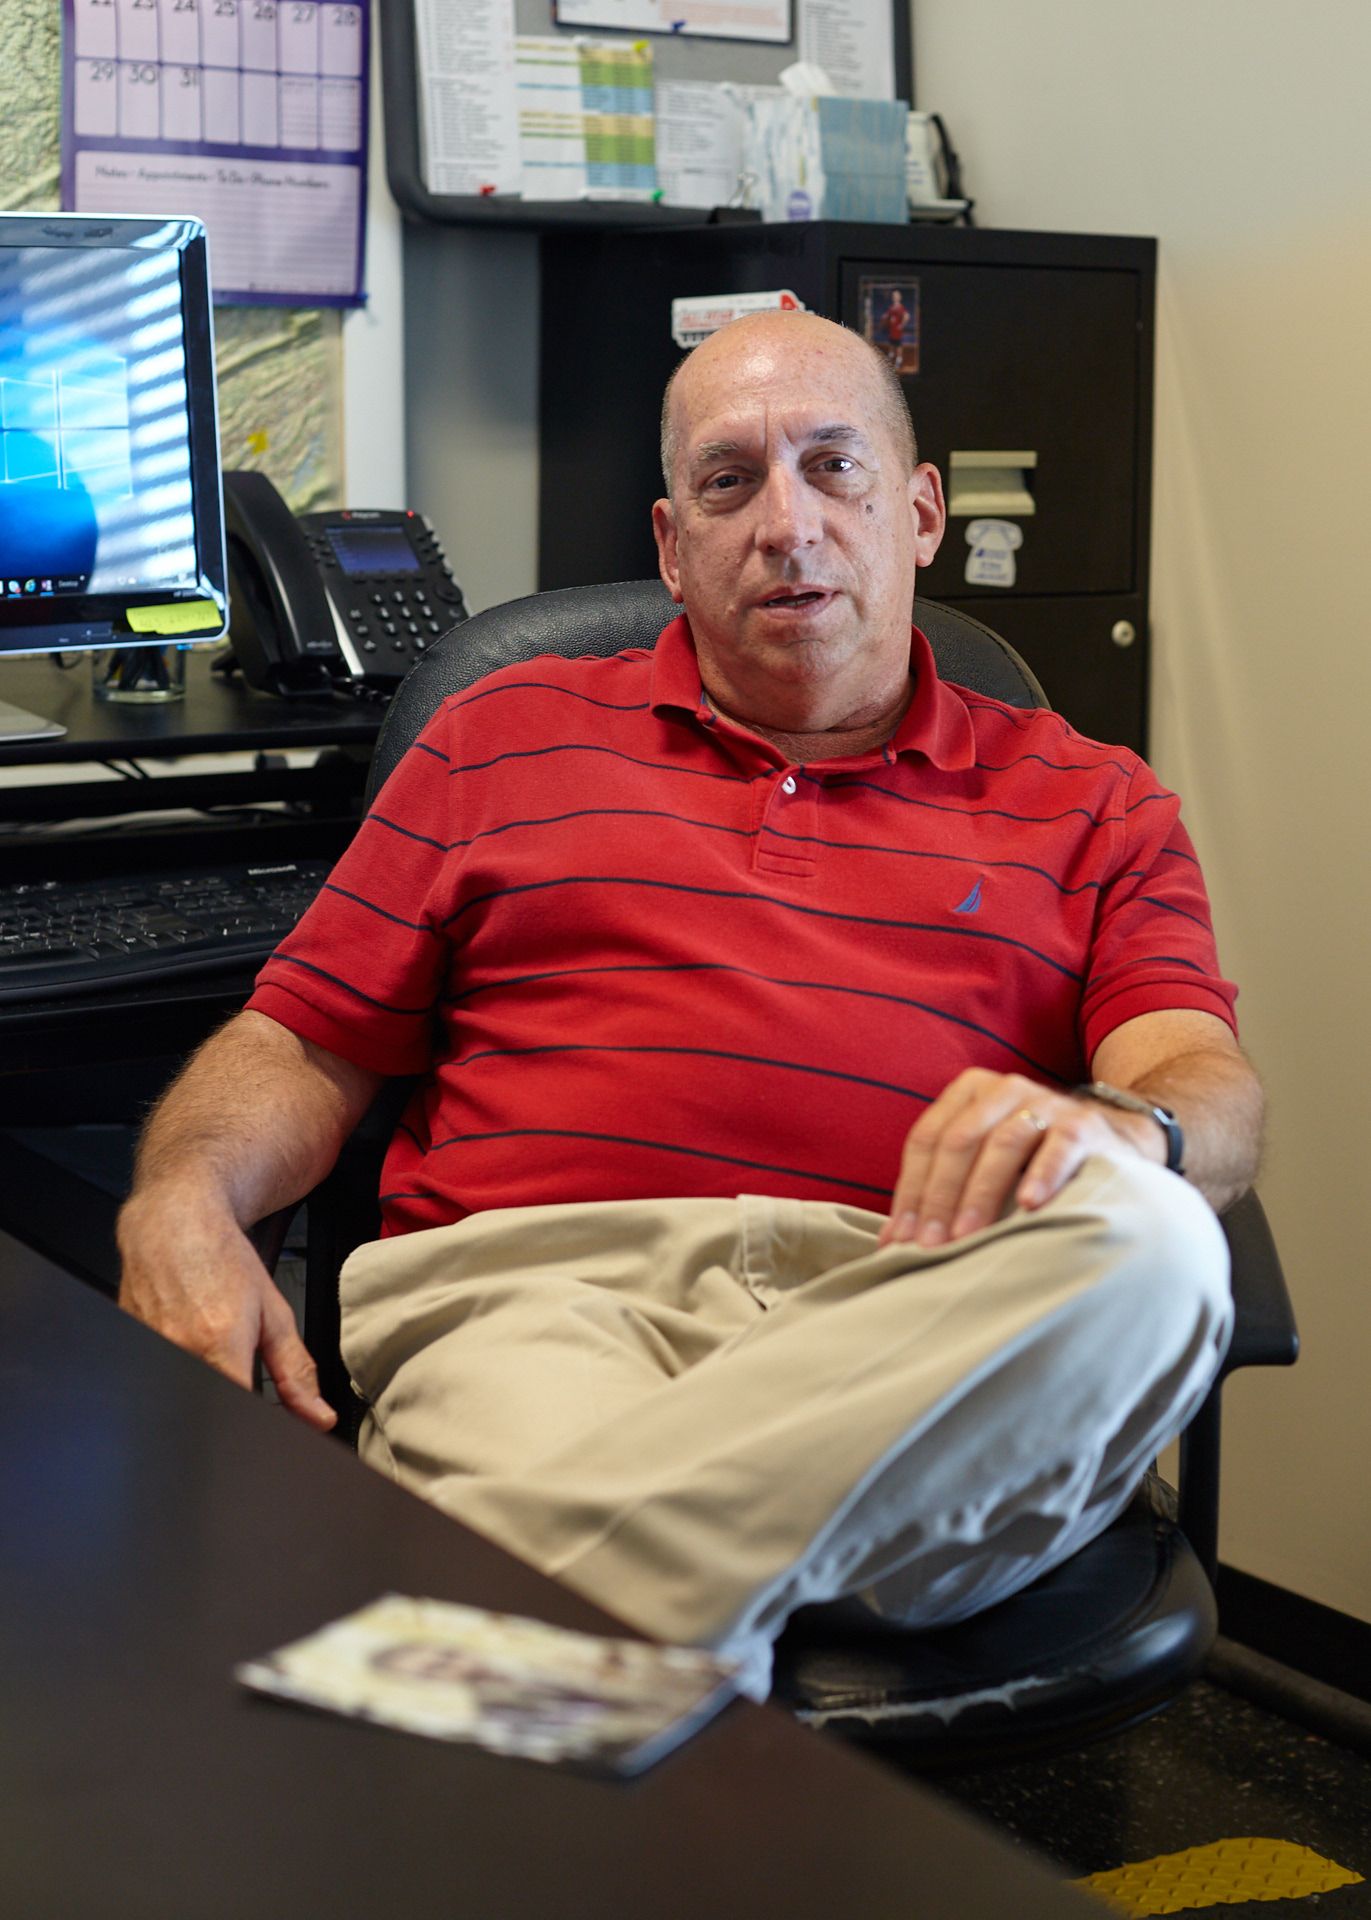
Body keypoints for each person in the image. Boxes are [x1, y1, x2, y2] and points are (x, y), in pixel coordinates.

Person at [117, 311, 1261, 1691]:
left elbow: (1201, 1079)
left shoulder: (1096, 802)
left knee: (1163, 1246)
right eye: (730, 483)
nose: (788, 525)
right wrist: (177, 1195)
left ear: (918, 514)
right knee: (578, 1464)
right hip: (544, 1305)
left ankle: (556, 1650)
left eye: (834, 469)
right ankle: (651, 1660)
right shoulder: (502, 738)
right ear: (671, 547)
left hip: (915, 1318)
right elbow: (299, 1041)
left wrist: (1128, 1133)